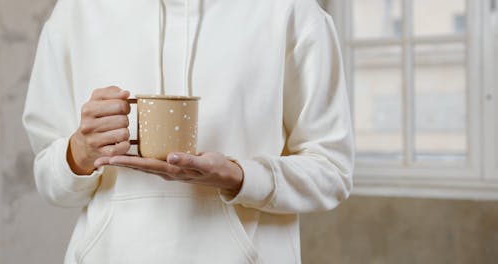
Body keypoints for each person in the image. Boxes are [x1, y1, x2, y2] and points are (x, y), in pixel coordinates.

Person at [22, 0, 354, 263]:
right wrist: (79, 152)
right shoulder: (75, 11)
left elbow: (332, 171)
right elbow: (50, 182)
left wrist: (240, 177)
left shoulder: (292, 11)